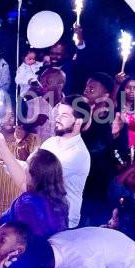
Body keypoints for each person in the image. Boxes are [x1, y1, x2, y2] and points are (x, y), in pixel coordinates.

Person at [0, 103, 39, 252]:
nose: (9, 119)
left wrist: (20, 143)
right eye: (4, 114)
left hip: (15, 203)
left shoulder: (31, 140)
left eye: (13, 115)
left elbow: (32, 173)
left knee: (10, 249)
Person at [39, 96, 91, 228]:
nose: (57, 118)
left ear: (78, 122)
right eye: (58, 114)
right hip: (43, 213)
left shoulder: (78, 154)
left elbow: (37, 177)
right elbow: (30, 167)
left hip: (64, 221)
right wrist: (2, 158)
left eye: (64, 115)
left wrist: (4, 153)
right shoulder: (50, 142)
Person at [0, 148, 69, 238]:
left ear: (34, 176)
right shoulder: (60, 202)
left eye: (26, 165)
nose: (24, 168)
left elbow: (5, 222)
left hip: (24, 245)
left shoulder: (27, 203)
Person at [79, 72, 116, 226]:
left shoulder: (108, 119)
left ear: (105, 95)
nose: (86, 90)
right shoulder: (82, 113)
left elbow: (98, 148)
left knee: (96, 221)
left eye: (92, 88)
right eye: (87, 86)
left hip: (98, 178)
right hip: (82, 177)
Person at [23, 67, 65, 142]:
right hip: (38, 148)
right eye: (42, 82)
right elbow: (23, 133)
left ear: (60, 85)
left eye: (48, 82)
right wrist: (33, 123)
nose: (43, 85)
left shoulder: (69, 106)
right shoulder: (32, 104)